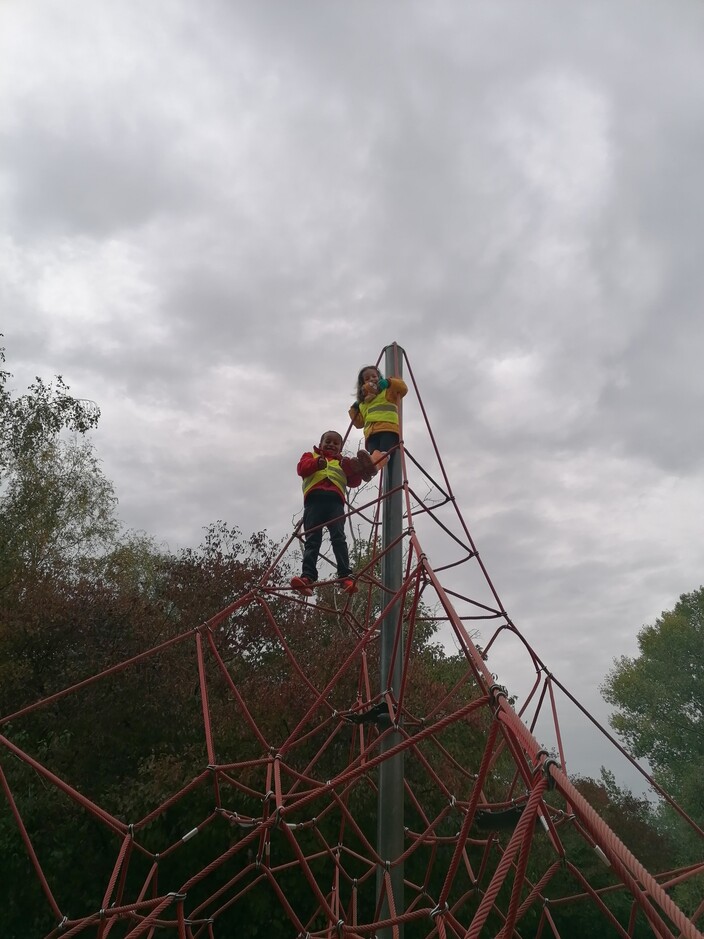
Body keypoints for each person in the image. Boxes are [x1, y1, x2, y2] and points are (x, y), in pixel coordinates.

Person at [291, 430, 376, 596]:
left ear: (340, 448)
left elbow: (354, 482)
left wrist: (353, 469)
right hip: (314, 501)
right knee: (312, 539)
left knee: (338, 537)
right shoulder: (311, 455)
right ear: (320, 443)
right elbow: (301, 469)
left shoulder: (342, 462)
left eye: (336, 443)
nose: (331, 445)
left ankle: (345, 577)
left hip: (335, 502)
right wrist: (317, 464)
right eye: (328, 441)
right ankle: (308, 577)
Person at [349, 365, 408, 468]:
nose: (371, 379)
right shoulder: (363, 404)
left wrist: (389, 382)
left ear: (379, 377)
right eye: (367, 379)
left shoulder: (387, 392)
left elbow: (403, 388)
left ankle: (374, 466)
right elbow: (359, 423)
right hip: (371, 434)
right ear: (363, 384)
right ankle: (365, 469)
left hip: (387, 429)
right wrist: (354, 409)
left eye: (374, 376)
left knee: (383, 453)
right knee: (373, 455)